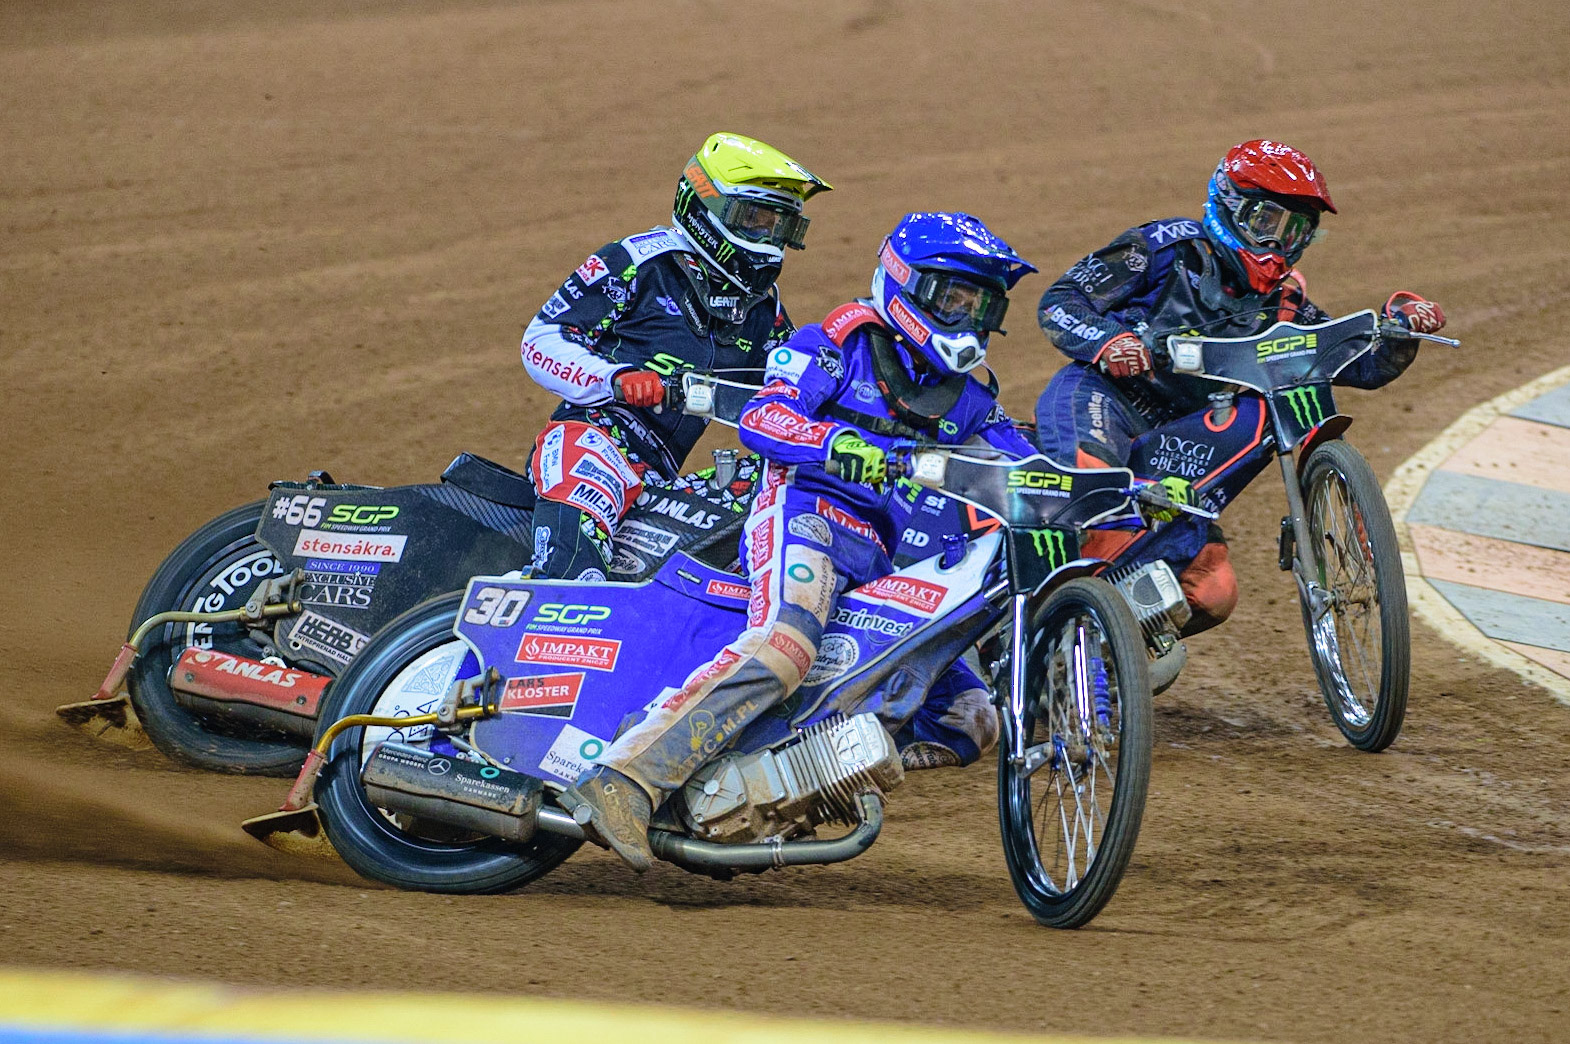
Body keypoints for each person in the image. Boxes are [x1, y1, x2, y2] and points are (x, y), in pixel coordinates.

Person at [560, 212, 1039, 871]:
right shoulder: (838, 343)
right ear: (908, 284)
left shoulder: (970, 400)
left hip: (884, 556)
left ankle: (788, 781)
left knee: (970, 718)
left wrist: (1127, 491)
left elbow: (1027, 463)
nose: (968, 314)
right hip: (805, 513)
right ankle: (625, 779)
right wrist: (834, 442)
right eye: (955, 297)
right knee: (786, 643)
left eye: (982, 303)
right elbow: (764, 413)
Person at [1033, 139, 1448, 633]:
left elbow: (1356, 364)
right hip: (1102, 399)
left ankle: (1101, 658)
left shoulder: (1283, 303)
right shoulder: (1165, 248)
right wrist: (1110, 341)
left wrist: (1399, 331)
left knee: (1214, 590)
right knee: (1099, 508)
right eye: (1266, 224)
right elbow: (1061, 300)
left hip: (1178, 434)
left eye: (1295, 232)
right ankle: (1029, 619)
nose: (1278, 246)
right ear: (1229, 208)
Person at [520, 133, 830, 580]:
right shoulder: (638, 262)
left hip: (660, 477)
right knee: (580, 548)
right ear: (708, 207)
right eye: (757, 219)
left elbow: (792, 387)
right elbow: (542, 338)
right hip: (592, 439)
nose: (770, 237)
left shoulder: (763, 308)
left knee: (773, 491)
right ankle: (546, 594)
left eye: (781, 226)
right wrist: (616, 378)